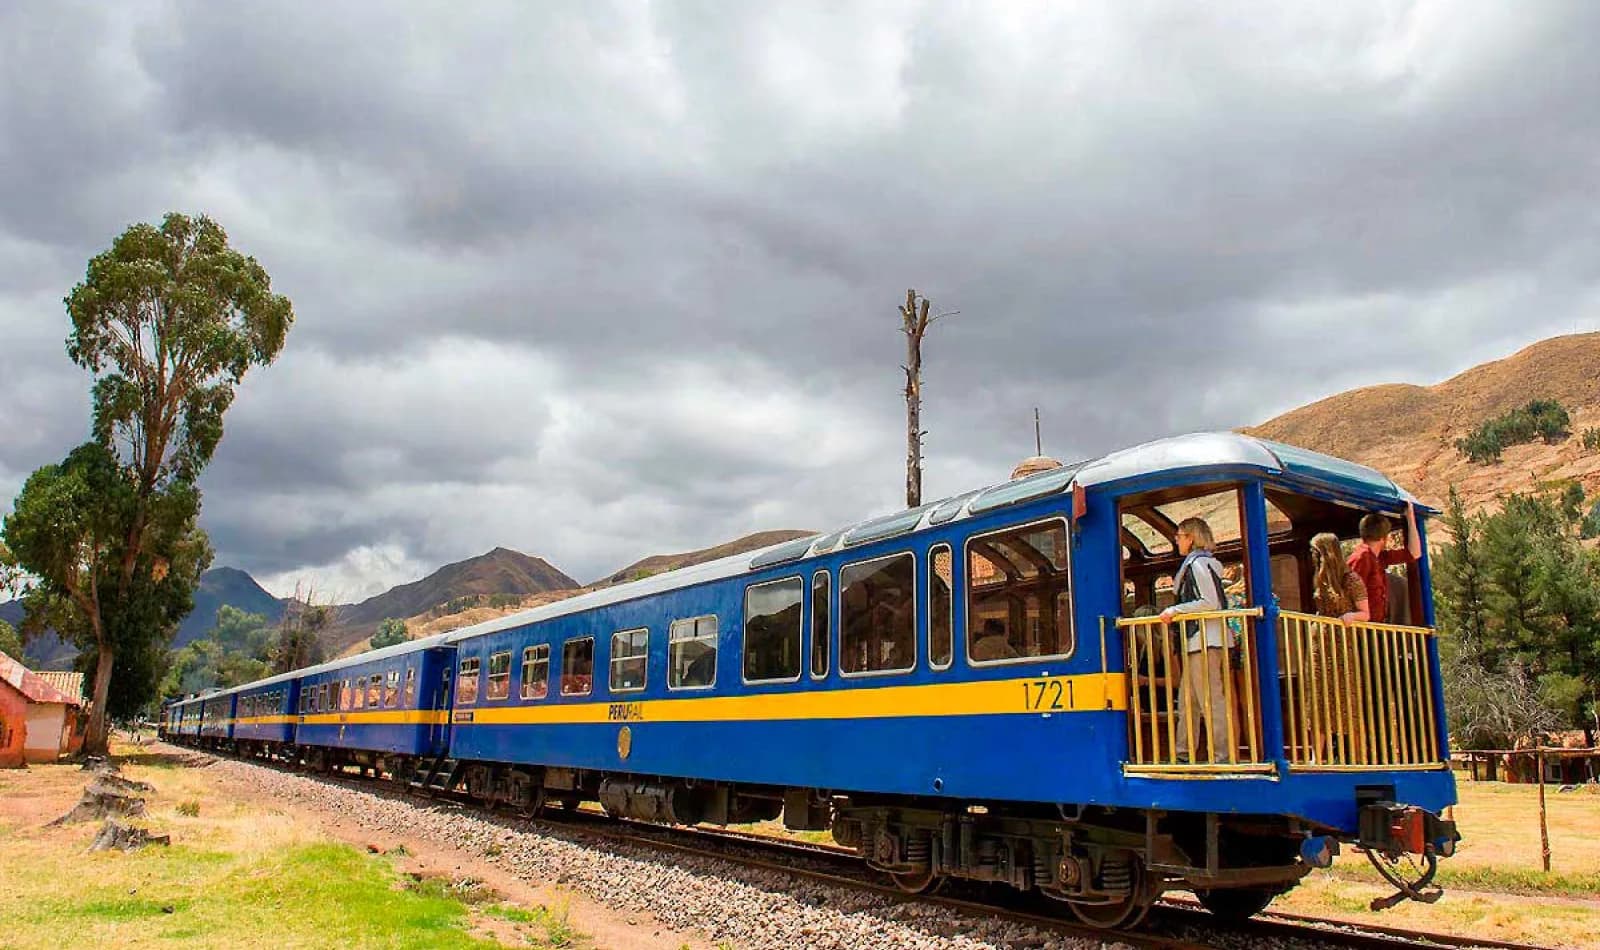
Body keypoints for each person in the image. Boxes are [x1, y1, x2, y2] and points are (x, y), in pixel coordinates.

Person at [1160, 517, 1231, 764]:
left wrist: (1175, 611)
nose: (1176, 540)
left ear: (1191, 537)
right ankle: (1183, 754)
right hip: (1196, 640)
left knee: (1210, 699)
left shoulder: (1199, 564)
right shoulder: (1199, 563)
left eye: (1179, 536)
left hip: (1204, 639)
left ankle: (1221, 756)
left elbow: (1210, 602)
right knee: (1188, 700)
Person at [1309, 532, 1369, 762]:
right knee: (1319, 697)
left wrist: (1350, 616)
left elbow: (1366, 613)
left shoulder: (1350, 579)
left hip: (1342, 644)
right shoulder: (1320, 579)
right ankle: (1316, 756)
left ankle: (1356, 755)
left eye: (1316, 552)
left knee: (1346, 698)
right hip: (1320, 643)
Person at [1347, 506, 1421, 624]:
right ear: (1384, 538)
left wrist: (1410, 518)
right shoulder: (1361, 558)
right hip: (1363, 628)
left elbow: (1414, 553)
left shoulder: (1379, 557)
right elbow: (1351, 592)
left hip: (1377, 627)